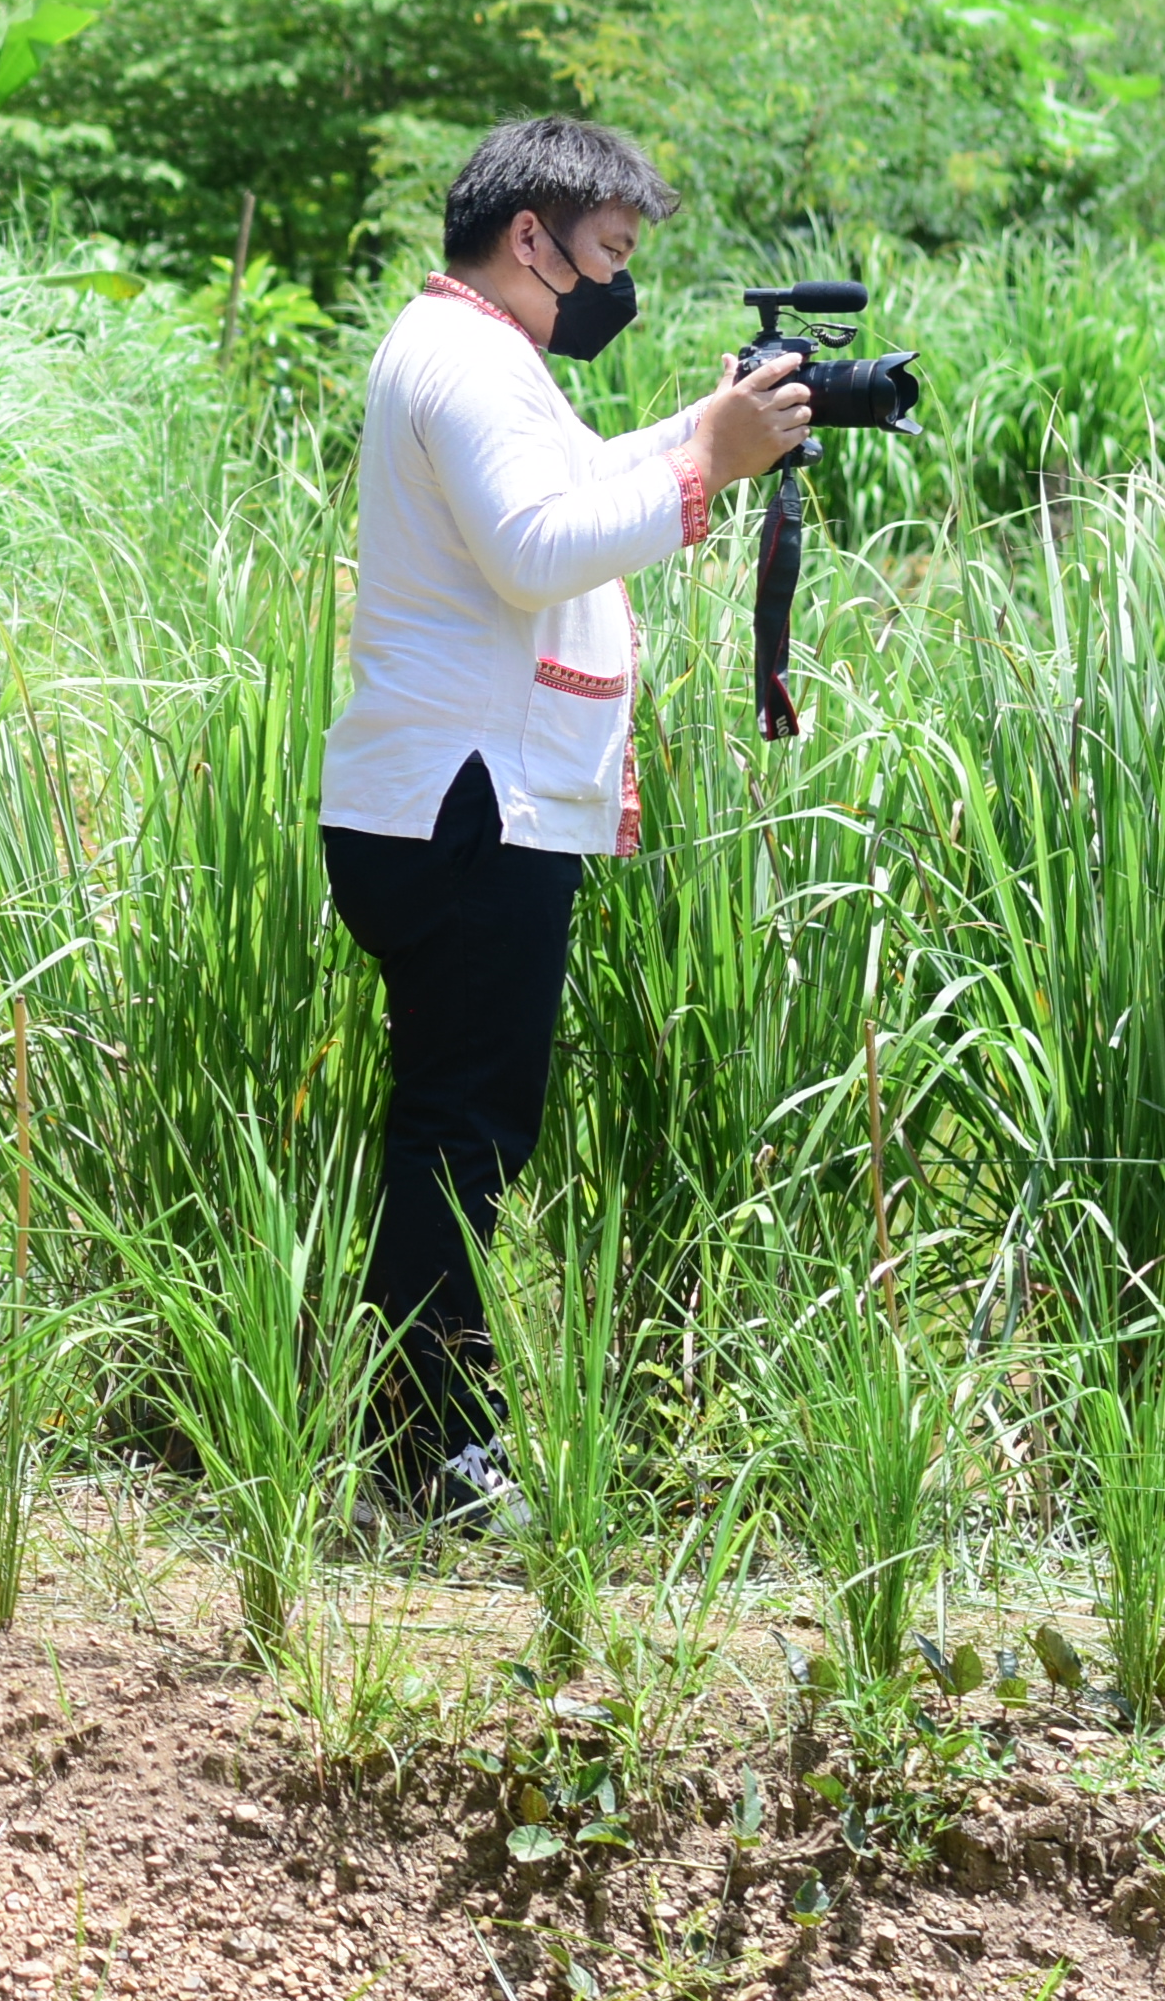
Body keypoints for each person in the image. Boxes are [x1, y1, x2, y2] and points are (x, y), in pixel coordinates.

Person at [323, 118, 814, 1511]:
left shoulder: (480, 354)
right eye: (608, 254)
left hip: (449, 802)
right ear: (529, 238)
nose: (619, 285)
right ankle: (427, 1459)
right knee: (464, 1132)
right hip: (467, 811)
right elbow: (539, 547)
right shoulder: (469, 362)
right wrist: (706, 463)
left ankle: (418, 1445)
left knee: (460, 1125)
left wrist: (710, 430)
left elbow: (577, 484)